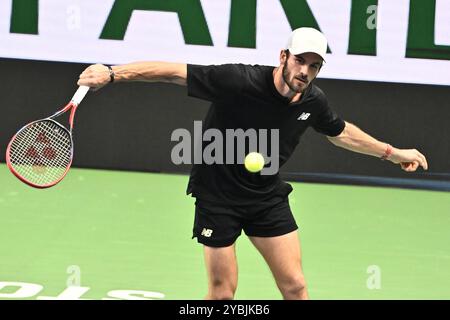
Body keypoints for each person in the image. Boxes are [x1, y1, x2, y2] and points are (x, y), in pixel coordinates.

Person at [78, 27, 428, 300]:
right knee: (223, 293)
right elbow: (173, 72)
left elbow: (340, 132)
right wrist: (113, 73)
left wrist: (393, 153)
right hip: (217, 197)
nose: (305, 71)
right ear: (283, 57)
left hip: (265, 198)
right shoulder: (238, 81)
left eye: (314, 65)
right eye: (299, 61)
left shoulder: (313, 102)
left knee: (295, 287)